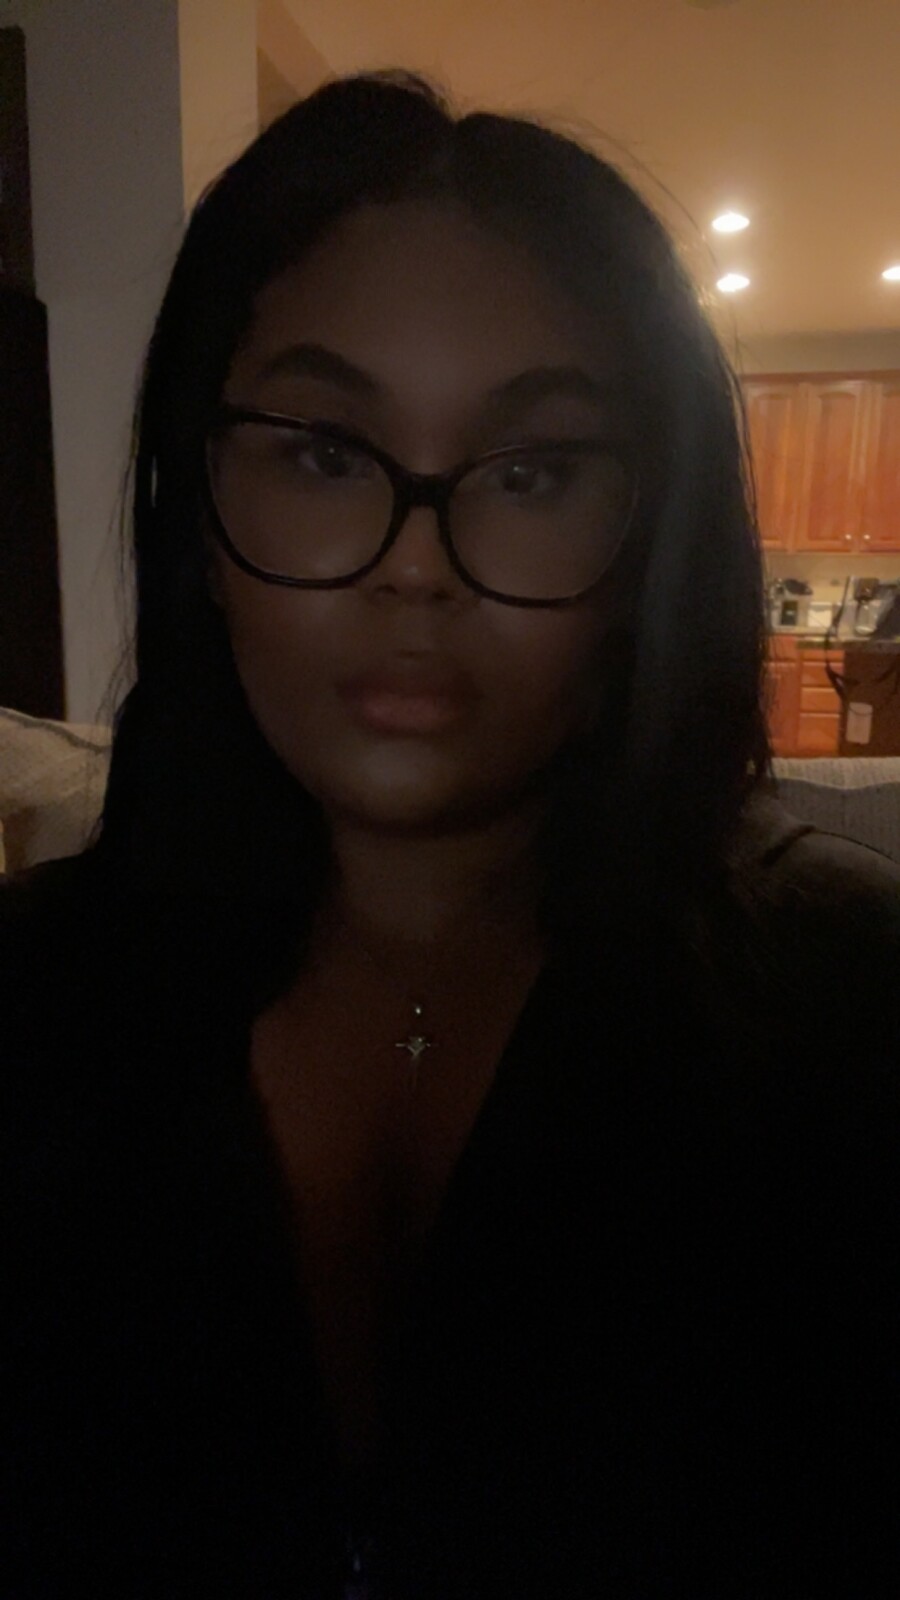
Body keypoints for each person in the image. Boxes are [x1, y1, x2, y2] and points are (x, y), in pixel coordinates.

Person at [2, 70, 898, 1600]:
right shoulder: (27, 1010)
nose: (415, 569)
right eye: (325, 452)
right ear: (200, 513)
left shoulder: (847, 1018)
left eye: (533, 472)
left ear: (646, 543)